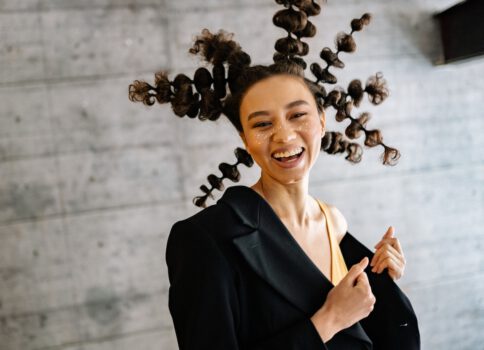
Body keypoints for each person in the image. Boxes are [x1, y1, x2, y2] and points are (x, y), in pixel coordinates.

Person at [128, 1, 420, 348]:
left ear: (321, 122)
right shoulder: (204, 240)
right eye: (263, 124)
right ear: (246, 140)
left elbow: (369, 329)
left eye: (297, 116)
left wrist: (383, 277)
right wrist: (327, 321)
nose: (283, 136)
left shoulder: (333, 222)